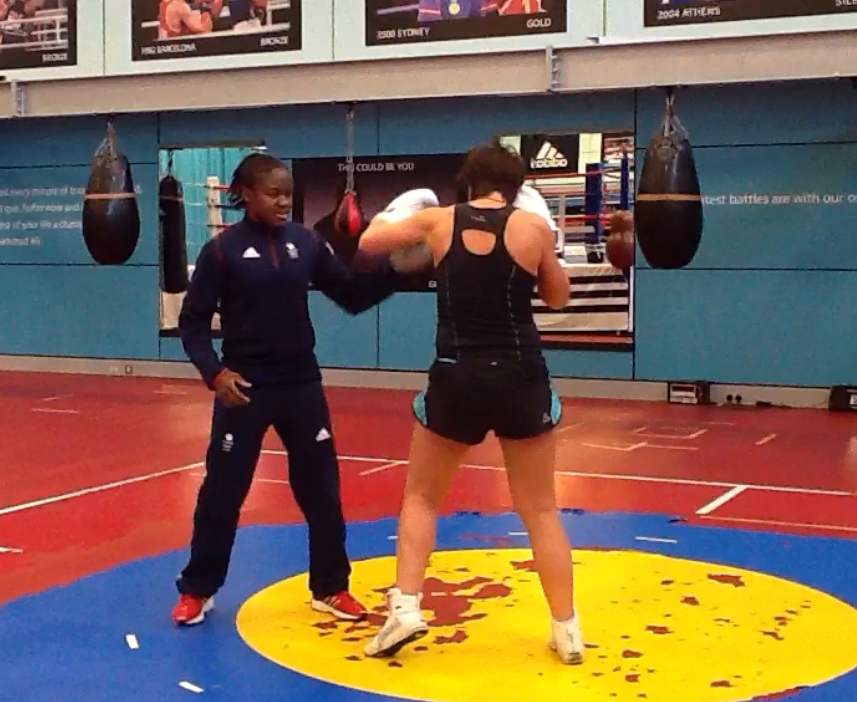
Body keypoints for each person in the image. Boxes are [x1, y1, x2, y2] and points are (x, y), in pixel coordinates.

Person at [356, 140, 585, 664]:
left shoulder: (438, 221)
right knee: (542, 508)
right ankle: (566, 629)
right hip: (520, 377)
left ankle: (407, 609)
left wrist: (401, 208)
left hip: (457, 375)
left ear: (469, 181)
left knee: (421, 497)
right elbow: (558, 298)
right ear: (517, 186)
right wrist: (546, 249)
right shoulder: (533, 229)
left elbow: (370, 242)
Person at [173, 152, 399, 626]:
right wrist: (215, 374)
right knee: (222, 492)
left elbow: (352, 296)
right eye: (273, 194)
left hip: (301, 384)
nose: (282, 202)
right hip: (246, 387)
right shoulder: (222, 251)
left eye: (288, 195)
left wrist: (400, 271)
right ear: (247, 195)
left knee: (321, 491)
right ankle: (198, 589)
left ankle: (331, 588)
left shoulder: (307, 243)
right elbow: (192, 322)